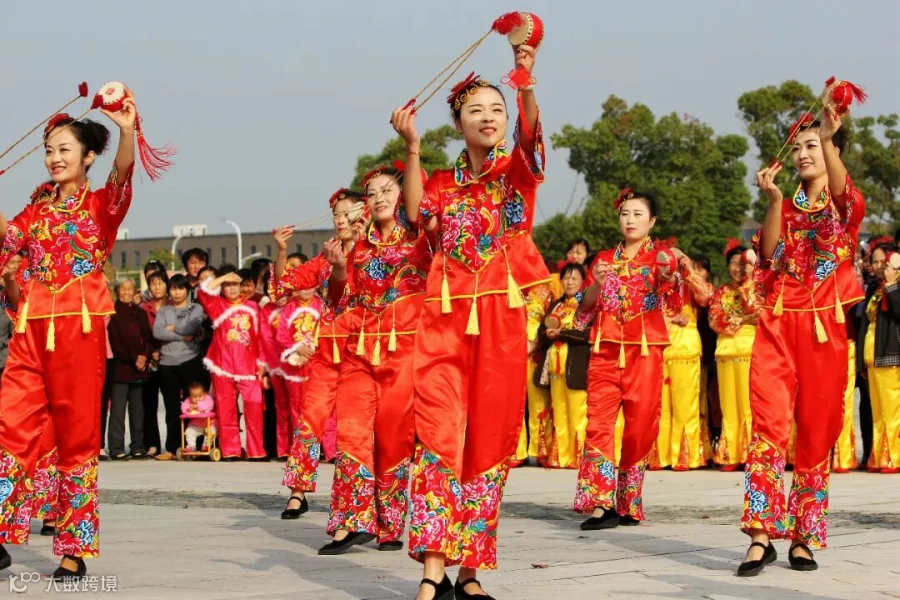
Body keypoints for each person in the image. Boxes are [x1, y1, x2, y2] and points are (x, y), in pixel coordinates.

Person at [392, 44, 547, 599]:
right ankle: (433, 570)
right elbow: (414, 217)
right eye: (476, 109)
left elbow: (533, 141)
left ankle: (469, 571)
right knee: (437, 435)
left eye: (496, 109)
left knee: (489, 437)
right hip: (444, 318)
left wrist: (525, 80)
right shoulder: (439, 182)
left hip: (502, 320)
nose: (488, 116)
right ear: (458, 122)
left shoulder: (518, 173)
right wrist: (411, 148)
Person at [0, 96, 137, 578]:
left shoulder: (100, 207)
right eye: (48, 150)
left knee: (77, 438)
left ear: (86, 158)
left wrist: (126, 129)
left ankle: (73, 547)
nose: (54, 158)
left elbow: (123, 174)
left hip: (78, 331)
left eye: (63, 149)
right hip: (30, 329)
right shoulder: (34, 210)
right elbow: (7, 238)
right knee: (9, 426)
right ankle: (1, 530)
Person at [739, 109, 865, 576]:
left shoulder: (845, 206)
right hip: (778, 326)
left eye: (812, 145)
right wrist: (772, 201)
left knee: (816, 432)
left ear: (832, 150)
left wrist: (829, 138)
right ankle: (759, 535)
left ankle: (803, 536)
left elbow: (844, 196)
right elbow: (770, 255)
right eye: (798, 147)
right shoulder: (786, 205)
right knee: (767, 425)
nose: (803, 153)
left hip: (825, 330)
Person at [320, 164, 432, 556]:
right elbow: (338, 302)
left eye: (387, 190)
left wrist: (412, 148)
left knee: (393, 436)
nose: (380, 197)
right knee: (351, 430)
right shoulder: (358, 247)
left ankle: (389, 522)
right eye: (371, 193)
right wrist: (336, 270)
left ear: (403, 194)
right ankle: (351, 522)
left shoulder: (421, 238)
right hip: (360, 352)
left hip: (405, 353)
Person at [574, 189, 682, 532]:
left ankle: (629, 499)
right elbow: (585, 306)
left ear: (652, 222)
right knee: (598, 424)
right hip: (605, 349)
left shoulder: (660, 258)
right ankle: (600, 503)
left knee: (641, 426)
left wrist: (669, 273)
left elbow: (674, 295)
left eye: (637, 214)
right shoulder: (604, 258)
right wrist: (598, 282)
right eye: (625, 213)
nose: (630, 220)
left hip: (645, 351)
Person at [275, 190, 364, 521]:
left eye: (346, 213)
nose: (340, 220)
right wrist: (282, 250)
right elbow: (284, 283)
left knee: (357, 429)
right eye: (336, 215)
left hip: (365, 350)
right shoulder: (328, 256)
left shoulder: (378, 253)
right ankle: (298, 491)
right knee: (310, 418)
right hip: (329, 346)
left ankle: (364, 500)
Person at [652, 250, 714, 470]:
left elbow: (707, 296)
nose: (669, 268)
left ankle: (685, 455)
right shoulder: (656, 286)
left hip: (685, 350)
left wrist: (688, 267)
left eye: (674, 263)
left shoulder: (688, 284)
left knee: (684, 406)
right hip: (659, 350)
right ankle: (660, 455)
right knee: (660, 407)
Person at [198, 266, 265, 461]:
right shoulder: (217, 305)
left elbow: (260, 337)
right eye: (228, 285)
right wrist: (223, 277)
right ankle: (231, 450)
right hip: (222, 364)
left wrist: (261, 363)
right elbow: (203, 291)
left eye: (236, 284)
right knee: (226, 407)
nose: (233, 289)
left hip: (248, 365)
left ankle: (256, 450)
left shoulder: (253, 307)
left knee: (254, 405)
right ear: (222, 288)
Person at [533, 263, 590, 469]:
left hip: (575, 366)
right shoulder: (555, 305)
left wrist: (562, 333)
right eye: (566, 278)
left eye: (575, 278)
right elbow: (541, 329)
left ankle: (580, 457)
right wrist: (546, 334)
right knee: (559, 413)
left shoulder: (586, 306)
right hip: (555, 370)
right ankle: (561, 457)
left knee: (578, 413)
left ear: (583, 282)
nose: (570, 282)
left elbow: (588, 333)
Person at [709, 241, 759, 471]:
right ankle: (730, 454)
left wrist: (749, 281)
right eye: (733, 264)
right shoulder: (722, 291)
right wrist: (733, 323)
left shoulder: (756, 287)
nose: (737, 268)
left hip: (749, 351)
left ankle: (752, 454)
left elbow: (757, 311)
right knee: (728, 405)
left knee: (749, 405)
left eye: (743, 264)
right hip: (725, 352)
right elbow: (714, 317)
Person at [153, 274, 206, 460]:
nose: (176, 292)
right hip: (167, 364)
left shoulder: (196, 308)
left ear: (187, 290)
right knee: (171, 408)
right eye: (173, 288)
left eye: (180, 288)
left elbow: (189, 328)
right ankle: (172, 447)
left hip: (190, 361)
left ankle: (196, 446)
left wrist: (172, 328)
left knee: (195, 406)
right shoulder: (164, 310)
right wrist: (181, 336)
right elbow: (157, 332)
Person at [859, 241, 900, 472]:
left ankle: (894, 457)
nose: (876, 266)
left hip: (890, 355)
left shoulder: (896, 285)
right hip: (871, 357)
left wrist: (893, 285)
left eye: (881, 261)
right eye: (873, 261)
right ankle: (879, 456)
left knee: (892, 410)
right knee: (878, 411)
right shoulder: (872, 288)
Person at [106, 278, 154, 460]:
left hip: (139, 369)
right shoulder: (112, 313)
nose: (126, 292)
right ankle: (116, 447)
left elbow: (147, 339)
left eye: (130, 289)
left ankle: (138, 447)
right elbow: (115, 343)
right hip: (120, 368)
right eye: (123, 289)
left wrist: (144, 357)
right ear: (117, 291)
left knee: (138, 411)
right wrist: (136, 357)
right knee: (118, 411)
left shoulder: (140, 313)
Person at [140, 269, 168, 456]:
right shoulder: (143, 308)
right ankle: (152, 444)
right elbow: (142, 336)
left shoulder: (175, 305)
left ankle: (175, 444)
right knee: (149, 405)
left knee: (173, 405)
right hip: (150, 361)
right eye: (153, 284)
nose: (157, 287)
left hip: (170, 359)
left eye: (160, 283)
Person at [180, 382, 216, 451]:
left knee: (211, 431)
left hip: (209, 424)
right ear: (190, 397)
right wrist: (188, 409)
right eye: (194, 397)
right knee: (189, 431)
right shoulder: (188, 401)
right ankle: (191, 446)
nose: (197, 399)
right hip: (197, 425)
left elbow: (210, 405)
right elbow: (183, 407)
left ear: (204, 394)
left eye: (199, 396)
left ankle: (206, 445)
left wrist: (198, 406)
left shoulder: (208, 399)